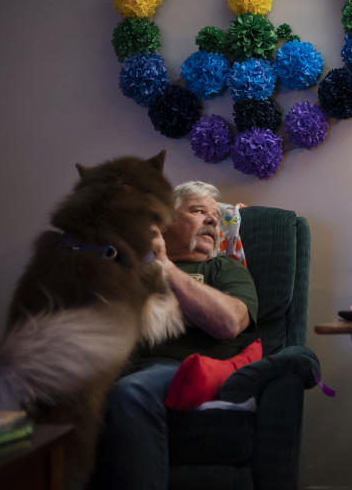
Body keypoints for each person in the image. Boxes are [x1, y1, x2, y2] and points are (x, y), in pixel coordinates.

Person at [90, 180, 258, 489]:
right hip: (120, 363)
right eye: (198, 211)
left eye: (216, 218)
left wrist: (165, 267)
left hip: (185, 368)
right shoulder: (128, 269)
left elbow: (228, 323)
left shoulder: (225, 270)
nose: (212, 220)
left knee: (131, 392)